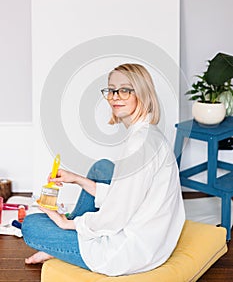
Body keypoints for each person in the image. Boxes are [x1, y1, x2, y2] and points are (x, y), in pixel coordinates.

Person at [22, 63, 185, 276]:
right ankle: (74, 235)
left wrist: (67, 224)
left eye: (125, 90)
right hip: (152, 239)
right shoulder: (149, 134)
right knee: (102, 168)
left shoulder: (138, 145)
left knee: (31, 225)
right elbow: (126, 196)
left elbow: (116, 215)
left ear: (142, 94)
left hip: (129, 252)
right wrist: (78, 179)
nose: (115, 96)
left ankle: (68, 242)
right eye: (111, 89)